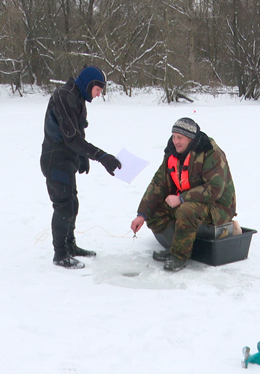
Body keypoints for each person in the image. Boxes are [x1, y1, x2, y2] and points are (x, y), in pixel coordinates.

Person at [41, 66, 122, 269]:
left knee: (72, 203)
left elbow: (78, 132)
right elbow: (71, 137)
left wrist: (82, 156)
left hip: (67, 158)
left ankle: (70, 246)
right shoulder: (64, 96)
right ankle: (60, 254)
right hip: (55, 159)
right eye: (98, 89)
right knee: (63, 206)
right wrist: (100, 156)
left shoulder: (77, 99)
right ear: (89, 84)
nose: (98, 94)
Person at [130, 118, 236, 271]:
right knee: (155, 213)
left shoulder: (210, 152)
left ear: (191, 138)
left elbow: (214, 188)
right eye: (173, 136)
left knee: (186, 210)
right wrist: (142, 214)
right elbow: (159, 183)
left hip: (217, 206)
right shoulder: (172, 153)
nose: (175, 141)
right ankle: (178, 246)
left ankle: (179, 256)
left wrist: (181, 198)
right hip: (188, 201)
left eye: (180, 138)